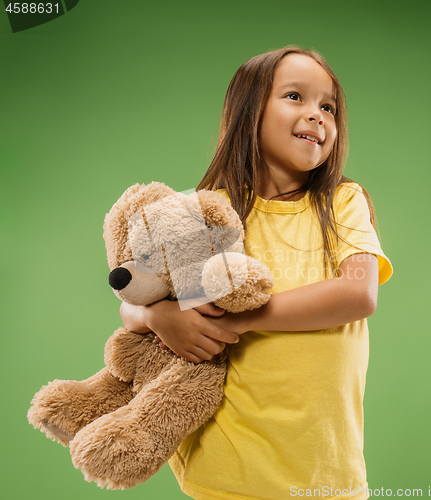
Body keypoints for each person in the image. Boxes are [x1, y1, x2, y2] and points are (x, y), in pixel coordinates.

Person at [120, 45, 393, 500]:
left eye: (329, 106)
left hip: (326, 476)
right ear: (249, 113)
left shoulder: (342, 202)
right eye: (295, 97)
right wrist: (156, 318)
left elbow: (358, 294)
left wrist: (240, 319)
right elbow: (137, 297)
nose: (317, 115)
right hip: (225, 472)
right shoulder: (208, 213)